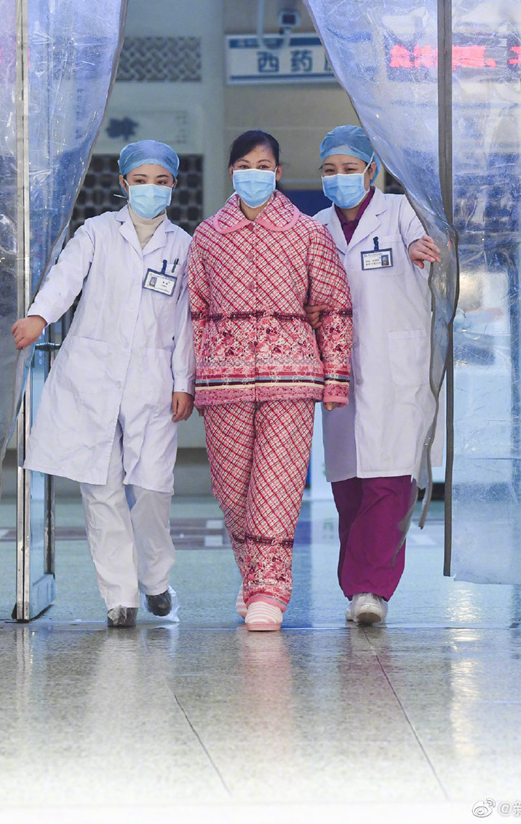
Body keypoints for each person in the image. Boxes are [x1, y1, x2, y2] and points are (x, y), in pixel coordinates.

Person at [11, 139, 195, 628]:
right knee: (101, 487)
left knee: (153, 488)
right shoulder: (95, 232)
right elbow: (65, 278)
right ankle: (120, 597)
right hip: (91, 377)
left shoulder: (184, 246)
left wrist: (184, 381)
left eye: (161, 181)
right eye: (141, 180)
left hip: (154, 381)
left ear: (173, 185)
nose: (150, 189)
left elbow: (186, 321)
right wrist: (39, 316)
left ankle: (155, 580)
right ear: (124, 184)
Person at [188, 130, 352, 632]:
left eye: (263, 166)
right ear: (231, 172)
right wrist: (192, 378)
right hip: (223, 380)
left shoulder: (308, 233)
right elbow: (196, 313)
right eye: (244, 165)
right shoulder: (208, 236)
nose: (253, 174)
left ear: (278, 173)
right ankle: (252, 575)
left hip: (292, 375)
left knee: (277, 486)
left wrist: (336, 377)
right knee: (232, 489)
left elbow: (334, 306)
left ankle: (270, 590)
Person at [307, 125, 440, 625]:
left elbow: (431, 251)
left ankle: (371, 589)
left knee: (390, 481)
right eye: (329, 169)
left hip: (395, 366)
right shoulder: (314, 227)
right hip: (339, 367)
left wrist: (422, 251)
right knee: (349, 486)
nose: (339, 177)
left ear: (371, 170)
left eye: (349, 168)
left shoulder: (402, 212)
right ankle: (357, 586)